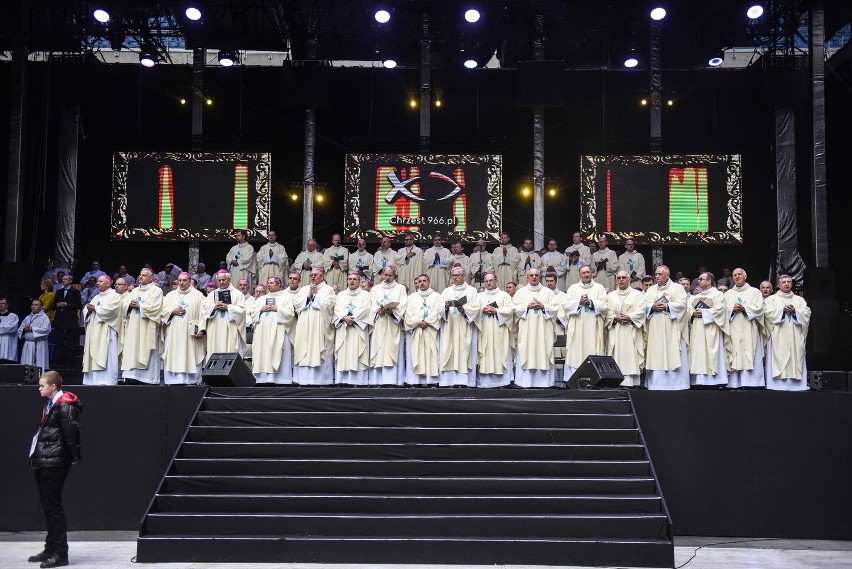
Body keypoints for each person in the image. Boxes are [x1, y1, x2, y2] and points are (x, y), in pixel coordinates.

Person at [29, 371, 81, 569]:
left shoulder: (65, 405)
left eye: (42, 385)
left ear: (53, 386)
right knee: (48, 505)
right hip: (45, 459)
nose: (39, 388)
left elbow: (71, 434)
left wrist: (74, 457)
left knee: (53, 507)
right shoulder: (51, 404)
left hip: (55, 461)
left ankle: (60, 553)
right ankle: (50, 547)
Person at [643, 265, 689, 390]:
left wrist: (667, 306)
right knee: (656, 352)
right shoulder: (651, 289)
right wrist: (652, 306)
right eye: (656, 274)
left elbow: (682, 304)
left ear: (667, 275)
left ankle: (677, 383)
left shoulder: (678, 288)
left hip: (671, 326)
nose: (657, 276)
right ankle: (656, 383)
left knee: (672, 349)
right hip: (655, 327)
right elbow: (644, 304)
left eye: (660, 274)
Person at [512, 268, 559, 387]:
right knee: (527, 350)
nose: (534, 277)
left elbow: (555, 309)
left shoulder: (548, 292)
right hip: (526, 330)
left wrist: (543, 306)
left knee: (542, 351)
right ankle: (525, 382)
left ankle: (544, 383)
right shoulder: (520, 292)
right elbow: (514, 309)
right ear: (527, 277)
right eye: (531, 275)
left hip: (544, 331)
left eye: (536, 275)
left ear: (540, 277)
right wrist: (527, 306)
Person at [560, 265, 608, 381]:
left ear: (592, 273)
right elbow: (566, 306)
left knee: (593, 348)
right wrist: (579, 302)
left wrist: (591, 302)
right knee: (575, 351)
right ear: (579, 275)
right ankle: (574, 379)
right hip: (577, 327)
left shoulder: (599, 288)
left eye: (588, 272)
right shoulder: (573, 288)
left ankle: (593, 378)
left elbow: (605, 306)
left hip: (593, 327)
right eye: (583, 273)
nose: (586, 275)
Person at [763, 274, 810, 391]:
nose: (786, 284)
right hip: (778, 336)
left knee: (795, 355)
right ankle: (776, 385)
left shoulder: (800, 300)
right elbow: (767, 314)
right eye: (783, 282)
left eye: (789, 282)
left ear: (792, 284)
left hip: (795, 336)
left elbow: (807, 313)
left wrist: (795, 312)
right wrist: (782, 311)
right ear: (778, 285)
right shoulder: (771, 300)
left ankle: (797, 385)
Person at [161, 272, 207, 385]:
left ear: (190, 280)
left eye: (184, 280)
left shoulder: (198, 295)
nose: (181, 283)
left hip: (191, 334)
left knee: (191, 353)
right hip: (174, 333)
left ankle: (191, 380)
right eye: (180, 280)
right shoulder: (170, 295)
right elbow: (162, 311)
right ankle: (173, 380)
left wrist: (201, 329)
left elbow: (203, 314)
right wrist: (172, 311)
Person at [292, 267, 336, 385]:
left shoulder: (328, 289)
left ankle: (321, 380)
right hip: (304, 325)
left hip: (319, 326)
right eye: (311, 275)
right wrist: (308, 297)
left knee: (318, 346)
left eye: (316, 275)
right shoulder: (304, 289)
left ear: (322, 277)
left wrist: (316, 296)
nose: (313, 277)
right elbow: (296, 304)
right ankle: (302, 380)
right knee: (303, 347)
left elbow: (328, 305)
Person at [439, 266, 481, 387]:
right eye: (453, 276)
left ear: (463, 276)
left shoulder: (471, 291)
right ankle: (449, 381)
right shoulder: (447, 291)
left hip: (464, 326)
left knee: (464, 351)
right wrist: (445, 307)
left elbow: (476, 308)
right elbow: (438, 307)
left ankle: (465, 381)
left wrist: (464, 309)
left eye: (457, 275)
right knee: (449, 350)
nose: (455, 278)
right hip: (449, 326)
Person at [250, 276, 297, 385]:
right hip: (262, 333)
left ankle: (280, 379)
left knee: (278, 351)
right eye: (269, 283)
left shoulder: (286, 298)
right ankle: (262, 379)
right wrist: (260, 310)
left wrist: (277, 309)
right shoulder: (261, 299)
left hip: (278, 331)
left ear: (279, 285)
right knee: (262, 353)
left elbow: (290, 314)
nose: (269, 285)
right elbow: (253, 313)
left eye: (272, 283)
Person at [724, 268, 765, 389]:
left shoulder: (755, 292)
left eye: (739, 274)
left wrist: (744, 308)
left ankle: (752, 382)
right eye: (735, 275)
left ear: (745, 276)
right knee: (734, 351)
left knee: (751, 351)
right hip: (733, 328)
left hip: (749, 328)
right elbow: (722, 310)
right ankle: (734, 383)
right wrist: (732, 308)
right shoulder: (728, 294)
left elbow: (759, 309)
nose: (737, 276)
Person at [121, 268, 163, 385]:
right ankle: (131, 376)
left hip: (147, 326)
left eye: (144, 275)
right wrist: (129, 305)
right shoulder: (134, 291)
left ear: (151, 278)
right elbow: (124, 305)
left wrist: (140, 306)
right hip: (134, 326)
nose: (141, 277)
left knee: (146, 349)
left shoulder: (156, 291)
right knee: (133, 348)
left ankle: (148, 378)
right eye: (140, 275)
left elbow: (156, 308)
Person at [686, 272, 729, 388]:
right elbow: (688, 310)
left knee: (711, 352)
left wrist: (704, 313)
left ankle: (714, 380)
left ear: (709, 281)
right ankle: (698, 380)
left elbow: (720, 310)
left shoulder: (718, 295)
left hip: (711, 328)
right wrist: (693, 313)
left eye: (701, 279)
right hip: (697, 328)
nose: (698, 281)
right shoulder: (695, 297)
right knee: (698, 352)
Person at [605, 271, 647, 387]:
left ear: (629, 280)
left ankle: (632, 383)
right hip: (616, 330)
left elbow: (642, 310)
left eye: (624, 277)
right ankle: (616, 381)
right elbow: (606, 312)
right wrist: (615, 318)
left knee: (631, 356)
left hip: (631, 330)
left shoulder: (637, 295)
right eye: (619, 278)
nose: (621, 280)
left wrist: (630, 317)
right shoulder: (610, 295)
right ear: (616, 280)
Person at [369, 265, 409, 385]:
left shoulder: (400, 288)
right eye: (385, 275)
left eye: (390, 275)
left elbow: (403, 304)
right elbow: (370, 303)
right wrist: (378, 310)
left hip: (393, 324)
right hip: (379, 323)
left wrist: (392, 311)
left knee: (392, 350)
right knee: (379, 349)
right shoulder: (375, 289)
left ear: (394, 276)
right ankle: (377, 381)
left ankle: (394, 380)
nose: (387, 278)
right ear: (382, 275)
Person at [332, 272, 373, 386]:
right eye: (350, 279)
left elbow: (366, 309)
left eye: (355, 279)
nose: (352, 281)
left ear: (359, 281)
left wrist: (353, 318)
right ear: (347, 280)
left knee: (357, 352)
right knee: (344, 353)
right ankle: (343, 380)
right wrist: (344, 318)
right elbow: (337, 309)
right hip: (344, 328)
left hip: (357, 328)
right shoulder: (340, 295)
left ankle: (359, 381)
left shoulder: (366, 295)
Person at [403, 273, 443, 386]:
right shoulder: (411, 297)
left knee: (431, 354)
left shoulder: (436, 296)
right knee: (417, 354)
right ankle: (417, 381)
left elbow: (438, 311)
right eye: (419, 281)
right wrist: (419, 322)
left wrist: (428, 321)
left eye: (424, 281)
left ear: (429, 282)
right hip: (417, 330)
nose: (422, 283)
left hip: (431, 330)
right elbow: (408, 314)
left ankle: (432, 381)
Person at [81, 276, 123, 386]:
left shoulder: (115, 296)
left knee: (107, 355)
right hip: (94, 332)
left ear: (108, 284)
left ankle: (107, 381)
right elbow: (86, 310)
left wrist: (96, 309)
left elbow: (113, 310)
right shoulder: (96, 298)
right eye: (97, 282)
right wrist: (88, 310)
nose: (97, 283)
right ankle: (92, 380)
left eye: (100, 281)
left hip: (106, 331)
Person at [476, 272, 515, 388]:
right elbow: (473, 310)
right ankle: (484, 383)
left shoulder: (504, 296)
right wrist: (482, 310)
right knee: (485, 353)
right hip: (484, 331)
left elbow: (510, 310)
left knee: (500, 353)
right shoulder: (479, 296)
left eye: (491, 280)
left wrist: (496, 311)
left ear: (496, 281)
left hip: (500, 331)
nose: (488, 283)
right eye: (486, 281)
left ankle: (503, 382)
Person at [202, 270, 248, 359]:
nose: (221, 282)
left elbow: (242, 310)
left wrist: (228, 307)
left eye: (224, 280)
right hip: (215, 328)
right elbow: (204, 309)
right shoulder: (212, 294)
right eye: (219, 280)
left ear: (229, 280)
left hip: (230, 328)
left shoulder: (238, 294)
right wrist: (214, 307)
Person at [52, 275, 82, 366]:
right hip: (59, 318)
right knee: (59, 340)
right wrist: (58, 305)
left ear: (70, 281)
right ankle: (59, 359)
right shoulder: (59, 291)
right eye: (63, 279)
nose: (63, 280)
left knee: (70, 340)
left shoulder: (75, 291)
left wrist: (67, 304)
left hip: (70, 319)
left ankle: (68, 360)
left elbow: (79, 305)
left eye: (65, 279)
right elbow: (53, 305)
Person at [19, 299, 51, 372]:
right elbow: (20, 329)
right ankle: (27, 379)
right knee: (27, 362)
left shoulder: (44, 317)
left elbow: (46, 330)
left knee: (39, 363)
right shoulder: (28, 317)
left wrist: (32, 328)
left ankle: (39, 379)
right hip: (28, 344)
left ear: (41, 307)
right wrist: (24, 329)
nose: (33, 306)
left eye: (36, 305)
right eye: (32, 304)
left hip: (39, 344)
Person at [0, 297, 20, 362]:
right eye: (0, 303)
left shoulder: (13, 316)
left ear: (7, 305)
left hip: (8, 342)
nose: (1, 305)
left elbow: (10, 328)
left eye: (3, 303)